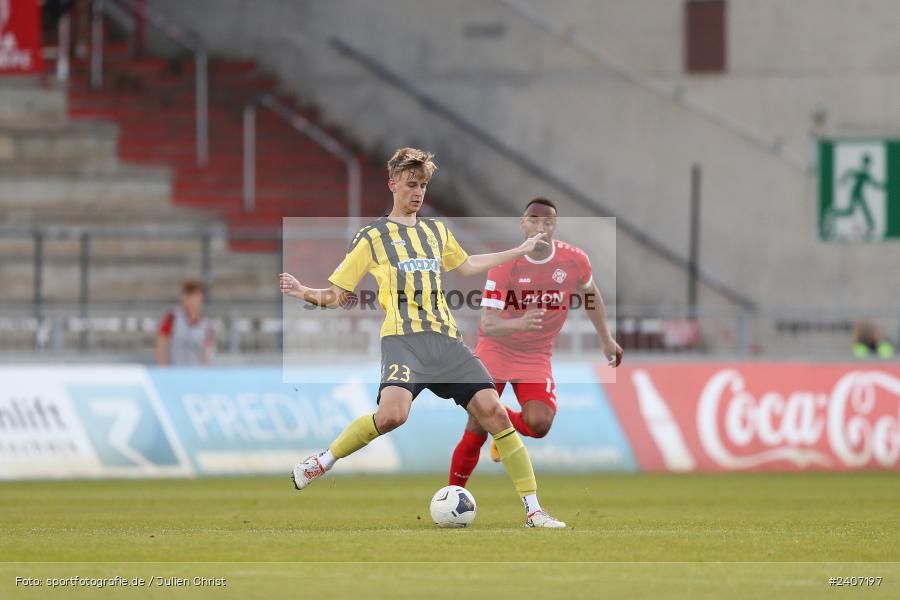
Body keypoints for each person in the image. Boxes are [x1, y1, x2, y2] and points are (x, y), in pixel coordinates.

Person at [280, 147, 566, 527]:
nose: (418, 193)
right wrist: (303, 292)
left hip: (445, 340)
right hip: (404, 341)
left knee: (495, 412)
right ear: (392, 185)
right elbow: (336, 295)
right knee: (392, 416)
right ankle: (322, 461)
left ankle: (533, 510)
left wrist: (519, 250)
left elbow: (467, 265)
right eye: (411, 185)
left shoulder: (436, 231)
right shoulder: (371, 237)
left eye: (423, 186)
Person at [448, 198, 623, 487]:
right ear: (523, 223)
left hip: (535, 354)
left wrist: (606, 339)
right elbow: (488, 324)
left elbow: (590, 295)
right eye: (534, 220)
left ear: (555, 225)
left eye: (547, 222)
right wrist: (519, 323)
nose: (540, 227)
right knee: (477, 425)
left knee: (539, 424)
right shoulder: (506, 264)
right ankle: (452, 495)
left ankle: (501, 419)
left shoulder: (575, 260)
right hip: (496, 349)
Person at [155, 280, 214, 366]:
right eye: (188, 296)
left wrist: (205, 371)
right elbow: (161, 345)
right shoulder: (172, 317)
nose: (191, 301)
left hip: (194, 372)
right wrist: (163, 368)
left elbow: (207, 354)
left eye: (194, 296)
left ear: (201, 298)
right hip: (173, 370)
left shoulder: (206, 326)